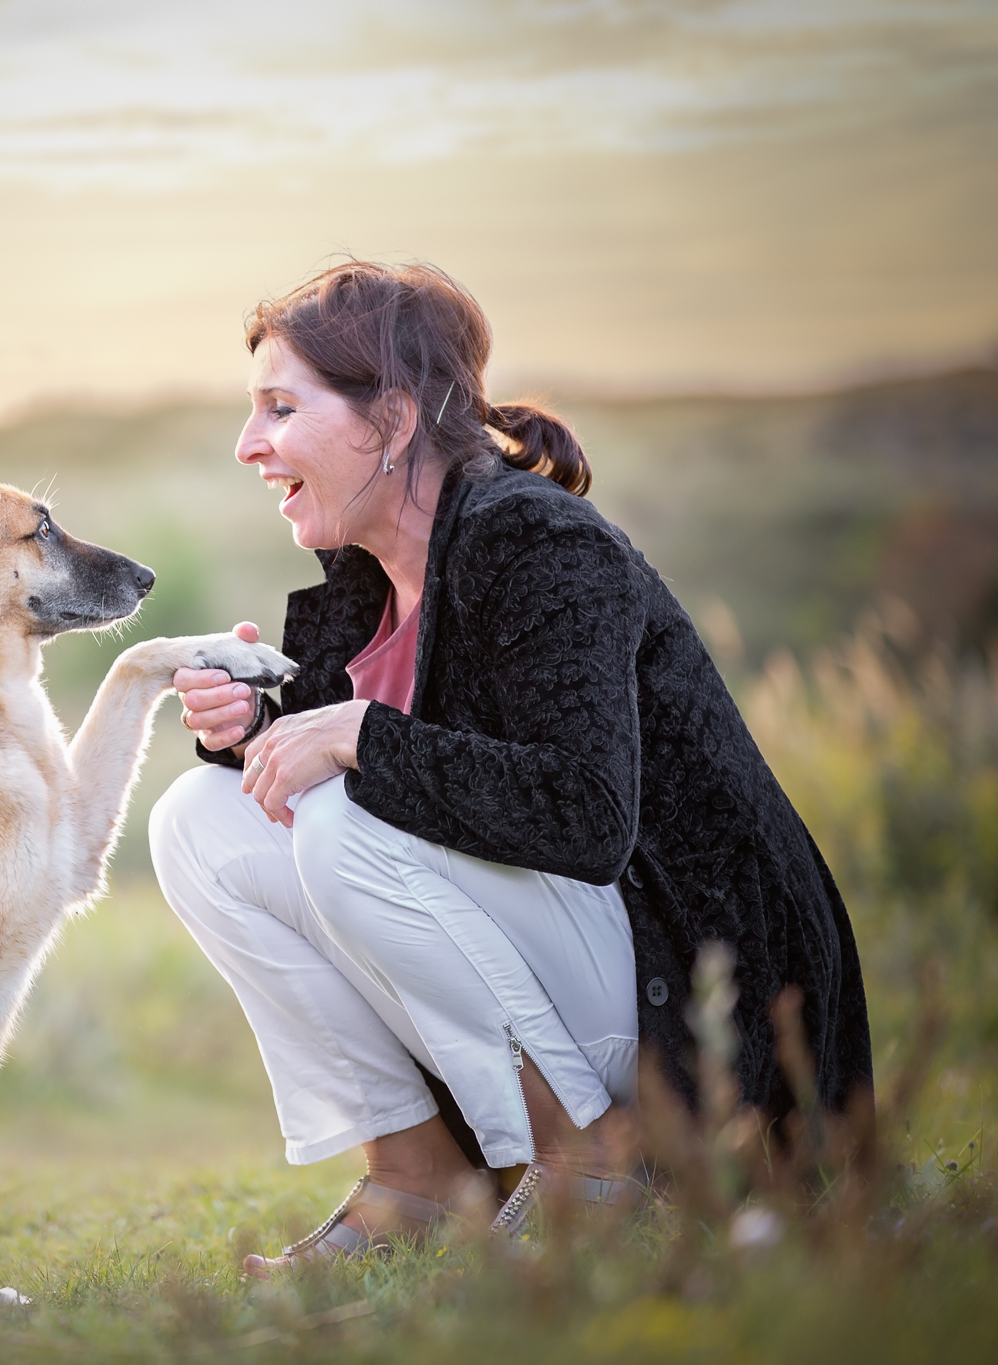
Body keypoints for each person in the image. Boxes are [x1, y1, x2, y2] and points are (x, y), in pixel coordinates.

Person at [147, 261, 873, 1274]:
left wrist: (351, 735)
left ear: (391, 421)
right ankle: (418, 1181)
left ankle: (598, 1169)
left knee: (343, 817)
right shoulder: (364, 581)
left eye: (278, 406)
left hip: (699, 1010)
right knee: (195, 819)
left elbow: (582, 815)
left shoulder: (535, 542)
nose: (248, 444)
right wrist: (250, 732)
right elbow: (384, 774)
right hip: (575, 982)